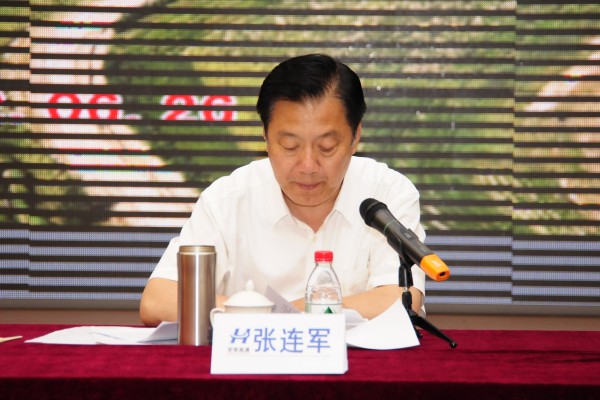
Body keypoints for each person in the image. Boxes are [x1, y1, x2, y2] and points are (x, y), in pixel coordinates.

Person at [140, 53, 426, 327]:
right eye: (290, 146)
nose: (308, 166)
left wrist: (281, 314)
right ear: (265, 136)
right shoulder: (227, 199)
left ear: (355, 136)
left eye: (327, 147)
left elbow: (401, 298)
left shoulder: (388, 193)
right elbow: (158, 301)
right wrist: (275, 316)